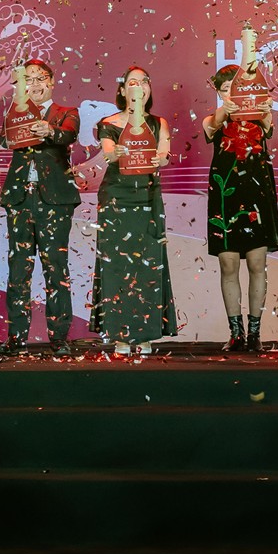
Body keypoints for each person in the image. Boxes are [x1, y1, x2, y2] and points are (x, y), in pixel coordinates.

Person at [0, 58, 81, 354]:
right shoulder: (15, 112)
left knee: (55, 268)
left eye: (40, 78)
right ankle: (15, 337)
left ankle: (59, 337)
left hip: (55, 199)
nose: (34, 84)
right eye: (28, 79)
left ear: (51, 82)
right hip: (20, 198)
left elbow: (69, 134)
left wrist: (49, 131)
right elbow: (4, 140)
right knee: (18, 270)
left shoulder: (66, 112)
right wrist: (19, 117)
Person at [93, 66, 177, 357]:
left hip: (148, 197)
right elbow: (108, 153)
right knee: (116, 266)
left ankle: (145, 336)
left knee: (147, 266)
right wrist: (114, 153)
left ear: (149, 89)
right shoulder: (108, 123)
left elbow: (164, 153)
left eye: (144, 82)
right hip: (117, 197)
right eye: (132, 82)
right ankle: (119, 335)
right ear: (122, 90)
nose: (138, 86)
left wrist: (161, 158)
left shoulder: (158, 123)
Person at [203, 63, 278, 351]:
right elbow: (213, 124)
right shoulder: (213, 118)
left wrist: (263, 107)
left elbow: (268, 123)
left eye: (236, 89)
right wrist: (226, 108)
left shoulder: (261, 114)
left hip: (255, 193)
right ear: (219, 92)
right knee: (228, 264)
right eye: (226, 90)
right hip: (225, 194)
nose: (231, 94)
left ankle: (255, 333)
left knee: (258, 264)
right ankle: (235, 332)